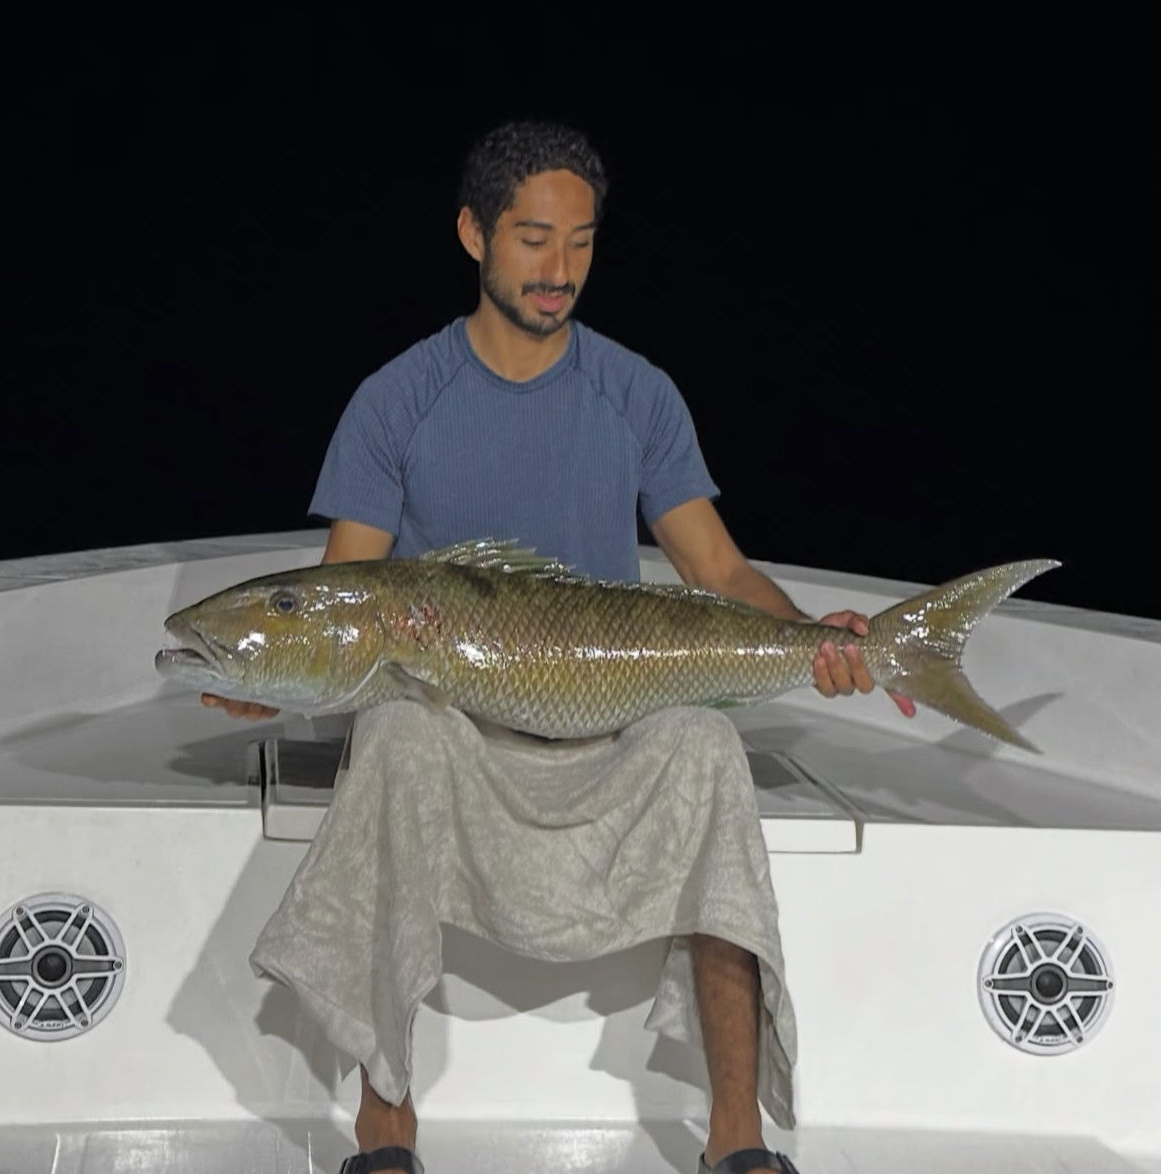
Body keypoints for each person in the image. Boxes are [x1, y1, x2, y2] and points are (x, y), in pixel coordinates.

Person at [204, 120, 914, 1174]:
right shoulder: (397, 400)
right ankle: (385, 1128)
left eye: (580, 242)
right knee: (393, 732)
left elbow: (717, 574)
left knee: (709, 753)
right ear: (471, 234)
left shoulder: (635, 392)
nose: (559, 271)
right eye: (533, 239)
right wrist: (267, 678)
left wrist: (823, 638)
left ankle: (737, 1137)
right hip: (456, 728)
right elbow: (340, 595)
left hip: (609, 720)